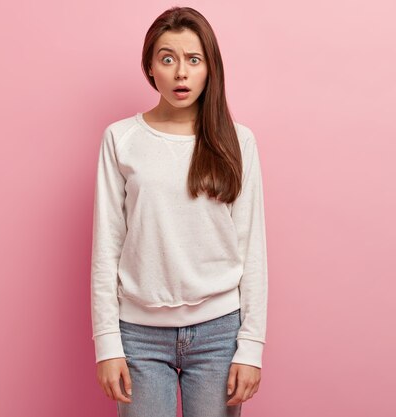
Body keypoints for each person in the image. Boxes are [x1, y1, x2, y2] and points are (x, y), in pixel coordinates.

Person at [90, 6, 268, 417]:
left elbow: (251, 248)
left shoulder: (238, 142)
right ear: (150, 67)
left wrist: (251, 348)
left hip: (220, 333)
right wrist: (107, 344)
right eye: (167, 59)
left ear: (210, 67)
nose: (181, 73)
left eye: (193, 59)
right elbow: (107, 247)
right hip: (138, 335)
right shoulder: (121, 139)